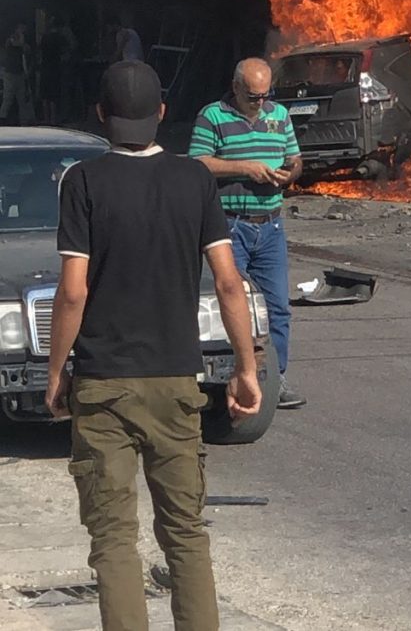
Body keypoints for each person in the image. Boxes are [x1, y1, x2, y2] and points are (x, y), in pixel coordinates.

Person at [46, 60, 261, 631]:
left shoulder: (83, 181)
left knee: (114, 539)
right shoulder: (195, 179)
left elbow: (73, 291)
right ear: (162, 113)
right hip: (175, 382)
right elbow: (228, 282)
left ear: (101, 115)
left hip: (104, 385)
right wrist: (246, 367)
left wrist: (56, 371)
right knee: (186, 534)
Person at [189, 57, 306, 409]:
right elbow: (197, 163)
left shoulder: (279, 115)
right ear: (236, 87)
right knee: (233, 305)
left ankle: (274, 379)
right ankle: (232, 376)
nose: (260, 102)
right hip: (230, 225)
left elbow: (295, 159)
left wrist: (290, 173)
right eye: (253, 96)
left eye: (266, 95)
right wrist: (244, 168)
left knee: (277, 307)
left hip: (270, 224)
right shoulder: (213, 116)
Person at [0, 23, 33, 123]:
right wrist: (21, 36)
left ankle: (24, 121)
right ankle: (2, 119)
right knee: (8, 98)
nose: (23, 30)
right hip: (10, 74)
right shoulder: (10, 40)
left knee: (22, 99)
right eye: (21, 28)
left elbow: (27, 50)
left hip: (20, 73)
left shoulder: (24, 44)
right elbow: (18, 44)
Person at [39, 15, 64, 125]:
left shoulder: (44, 37)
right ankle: (53, 119)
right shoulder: (60, 38)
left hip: (45, 67)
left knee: (45, 95)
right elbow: (66, 51)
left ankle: (46, 119)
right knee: (54, 95)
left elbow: (40, 52)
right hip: (55, 68)